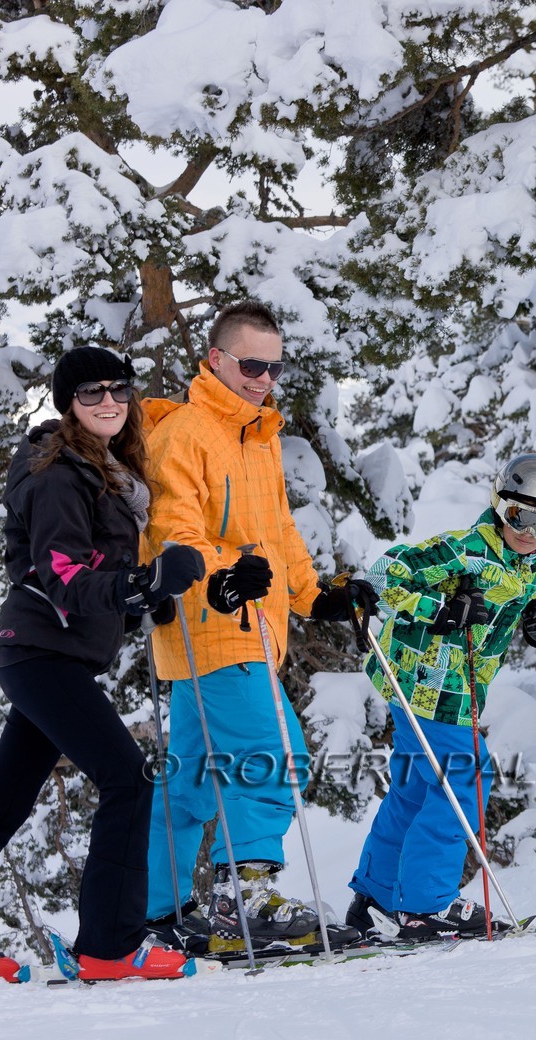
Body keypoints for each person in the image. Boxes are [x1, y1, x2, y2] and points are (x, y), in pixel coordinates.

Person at [0, 345, 206, 982]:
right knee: (128, 778)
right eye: (91, 392)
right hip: (44, 652)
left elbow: (97, 574)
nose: (108, 403)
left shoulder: (102, 470)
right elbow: (64, 572)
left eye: (118, 390)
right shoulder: (59, 473)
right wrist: (143, 582)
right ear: (68, 402)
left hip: (49, 653)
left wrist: (141, 601)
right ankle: (111, 947)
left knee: (4, 803)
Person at [140, 300, 374, 954]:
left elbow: (277, 536)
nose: (263, 378)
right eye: (250, 365)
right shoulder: (185, 433)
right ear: (214, 360)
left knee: (188, 781)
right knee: (269, 750)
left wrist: (315, 594)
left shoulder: (255, 435)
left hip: (242, 630)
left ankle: (156, 912)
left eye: (273, 367)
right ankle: (250, 896)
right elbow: (172, 535)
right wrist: (222, 573)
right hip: (213, 625)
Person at [345, 453, 536, 942]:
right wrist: (439, 608)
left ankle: (377, 897)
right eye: (521, 516)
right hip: (424, 681)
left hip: (464, 689)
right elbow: (382, 576)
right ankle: (427, 906)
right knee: (465, 777)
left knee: (415, 786)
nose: (531, 532)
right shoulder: (461, 551)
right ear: (500, 505)